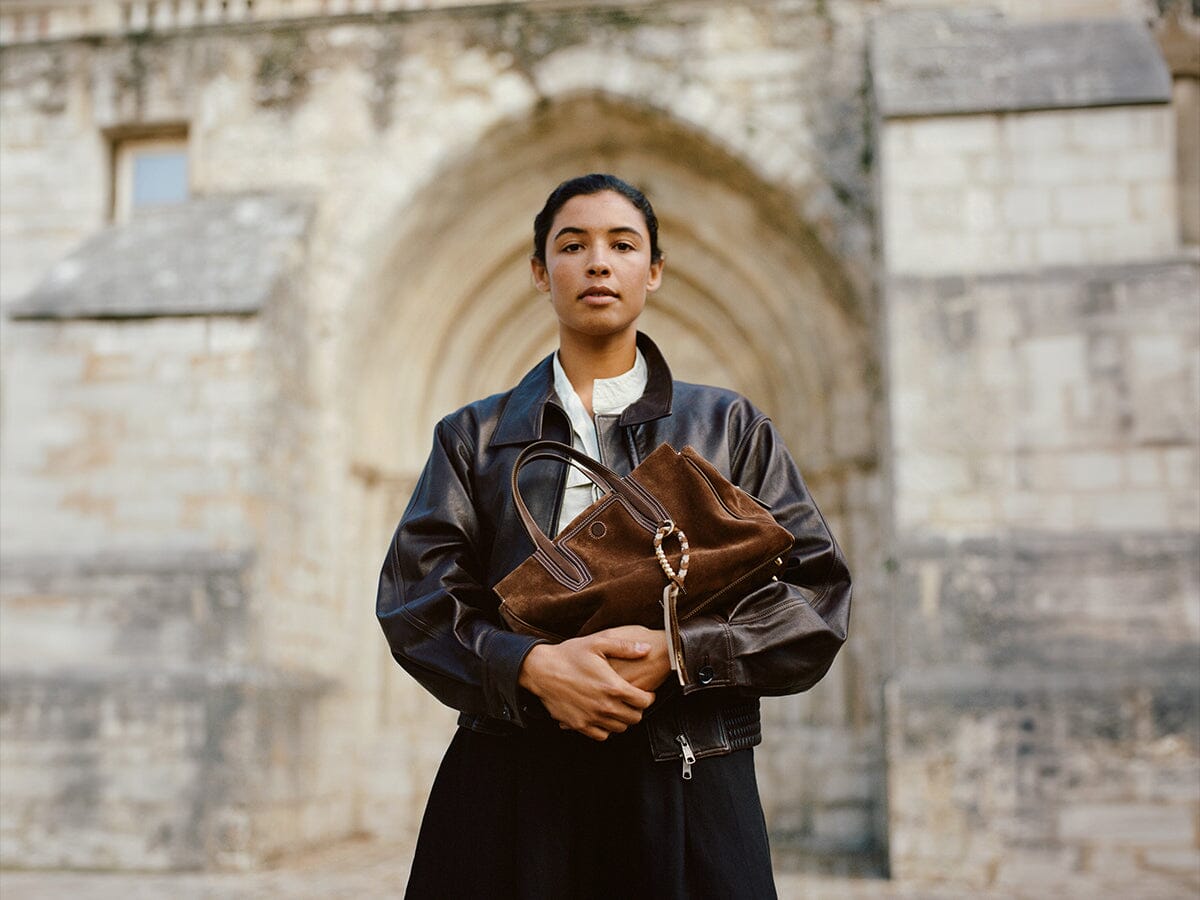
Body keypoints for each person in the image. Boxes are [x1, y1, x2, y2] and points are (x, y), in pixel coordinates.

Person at [376, 173, 851, 899]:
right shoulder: (471, 438)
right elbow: (417, 606)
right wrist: (531, 668)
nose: (598, 261)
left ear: (653, 271)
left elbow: (816, 596)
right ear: (541, 272)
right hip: (512, 787)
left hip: (689, 783)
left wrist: (681, 653)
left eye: (622, 244)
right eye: (573, 244)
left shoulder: (729, 427)